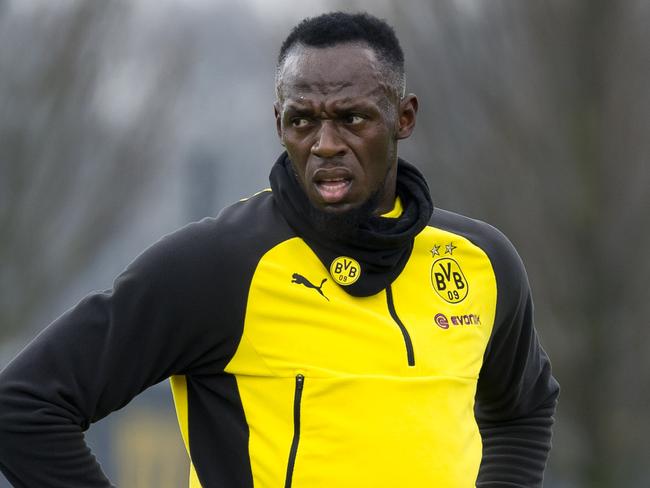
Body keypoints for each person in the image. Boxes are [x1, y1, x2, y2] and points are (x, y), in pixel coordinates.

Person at [0, 11, 559, 488]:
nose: (325, 143)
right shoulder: (219, 265)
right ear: (279, 123)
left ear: (403, 118)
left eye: (352, 118)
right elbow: (22, 405)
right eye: (302, 121)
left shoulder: (480, 262)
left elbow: (524, 408)